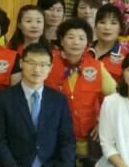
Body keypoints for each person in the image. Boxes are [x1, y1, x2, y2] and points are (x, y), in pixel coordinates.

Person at [45, 18, 117, 156]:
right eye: (70, 37)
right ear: (61, 41)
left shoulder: (96, 67)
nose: (76, 42)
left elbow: (115, 97)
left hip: (88, 141)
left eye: (81, 38)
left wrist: (102, 121)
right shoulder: (48, 64)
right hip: (55, 139)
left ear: (88, 43)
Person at [90, 4, 126, 82]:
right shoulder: (83, 51)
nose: (107, 27)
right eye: (102, 22)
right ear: (95, 26)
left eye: (113, 23)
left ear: (120, 28)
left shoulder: (126, 57)